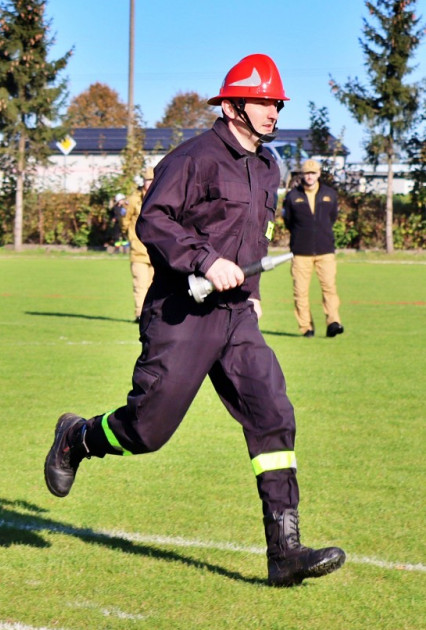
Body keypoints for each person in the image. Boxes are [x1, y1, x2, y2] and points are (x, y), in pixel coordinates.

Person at [44, 53, 345, 587]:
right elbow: (152, 221)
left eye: (277, 101)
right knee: (147, 430)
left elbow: (250, 236)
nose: (273, 109)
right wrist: (205, 260)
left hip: (236, 319)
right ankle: (78, 438)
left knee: (273, 411)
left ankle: (285, 553)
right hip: (181, 312)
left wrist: (248, 294)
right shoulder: (195, 158)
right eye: (263, 101)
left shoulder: (269, 164)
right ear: (232, 106)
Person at [281, 159, 343, 338]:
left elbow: (332, 217)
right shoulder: (292, 196)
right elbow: (288, 222)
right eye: (307, 173)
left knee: (329, 288)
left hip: (325, 250)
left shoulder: (330, 194)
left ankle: (333, 323)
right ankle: (306, 327)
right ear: (302, 175)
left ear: (319, 174)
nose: (310, 176)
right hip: (301, 252)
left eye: (313, 173)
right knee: (300, 292)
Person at [123, 167, 156, 321]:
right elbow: (125, 220)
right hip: (138, 250)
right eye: (147, 180)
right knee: (140, 283)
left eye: (152, 180)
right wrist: (130, 236)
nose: (149, 183)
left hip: (156, 250)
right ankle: (139, 314)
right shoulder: (134, 199)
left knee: (153, 285)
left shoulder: (159, 196)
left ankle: (151, 313)